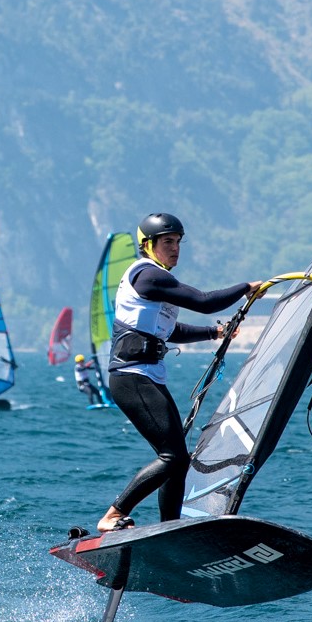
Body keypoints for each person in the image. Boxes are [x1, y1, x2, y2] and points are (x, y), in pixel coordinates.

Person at [96, 213, 262, 533]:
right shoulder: (148, 275)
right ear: (148, 245)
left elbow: (171, 331)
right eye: (167, 242)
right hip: (132, 377)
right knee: (172, 456)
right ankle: (113, 515)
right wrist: (245, 288)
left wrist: (215, 333)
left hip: (146, 376)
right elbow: (205, 302)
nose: (175, 248)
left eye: (178, 242)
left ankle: (168, 529)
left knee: (178, 459)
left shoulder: (156, 283)